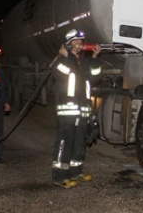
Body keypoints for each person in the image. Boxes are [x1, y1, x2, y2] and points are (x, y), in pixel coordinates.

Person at [52, 29, 102, 188]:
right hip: (68, 110)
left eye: (81, 40)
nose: (79, 43)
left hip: (82, 109)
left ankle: (76, 171)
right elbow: (64, 73)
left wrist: (94, 58)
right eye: (75, 41)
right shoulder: (61, 60)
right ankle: (59, 176)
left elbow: (95, 77)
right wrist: (65, 56)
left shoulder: (85, 61)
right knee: (65, 142)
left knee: (80, 141)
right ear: (68, 43)